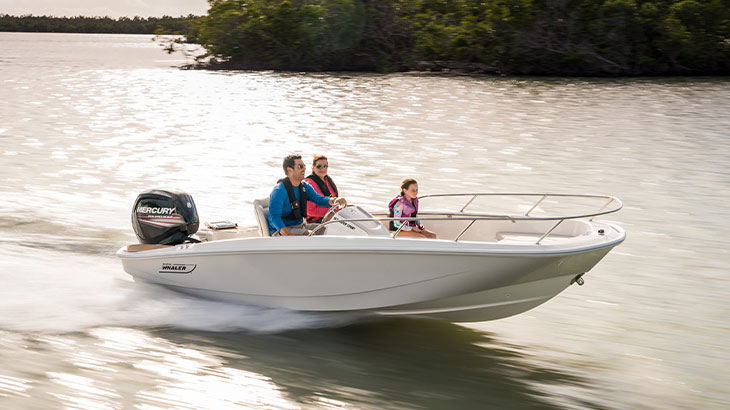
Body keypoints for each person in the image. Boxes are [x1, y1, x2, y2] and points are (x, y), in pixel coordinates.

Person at [268, 154, 347, 236]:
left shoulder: (304, 186)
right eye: (300, 166)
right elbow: (274, 217)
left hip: (299, 226)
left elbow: (318, 199)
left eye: (304, 166)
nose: (304, 169)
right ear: (289, 170)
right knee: (311, 234)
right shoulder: (279, 190)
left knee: (330, 229)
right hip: (281, 231)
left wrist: (334, 200)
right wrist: (288, 234)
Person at [304, 155, 339, 223]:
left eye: (325, 166)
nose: (322, 169)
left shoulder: (328, 181)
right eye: (319, 166)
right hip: (316, 222)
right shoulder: (309, 184)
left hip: (331, 217)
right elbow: (310, 211)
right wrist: (333, 212)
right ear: (313, 167)